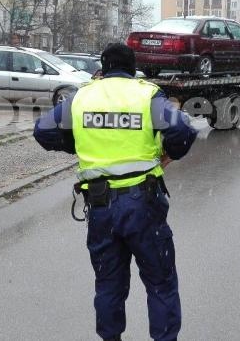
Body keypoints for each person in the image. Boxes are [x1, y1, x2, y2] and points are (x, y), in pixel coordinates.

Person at [33, 43, 197, 341]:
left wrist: (76, 145)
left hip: (100, 207)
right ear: (132, 68)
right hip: (143, 204)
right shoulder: (146, 94)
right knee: (160, 283)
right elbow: (183, 132)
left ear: (103, 68)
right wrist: (167, 152)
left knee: (108, 285)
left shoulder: (81, 96)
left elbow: (42, 131)